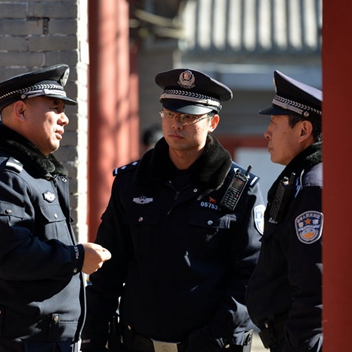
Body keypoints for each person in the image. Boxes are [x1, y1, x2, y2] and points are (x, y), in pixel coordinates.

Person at [81, 68, 265, 352]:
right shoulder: (133, 182)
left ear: (213, 122)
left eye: (188, 117)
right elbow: (108, 268)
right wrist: (93, 336)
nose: (176, 124)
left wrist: (212, 338)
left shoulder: (239, 189)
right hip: (137, 344)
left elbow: (250, 278)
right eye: (169, 113)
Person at [0, 64, 112, 352]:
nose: (64, 120)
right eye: (55, 108)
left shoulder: (36, 173)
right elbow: (8, 256)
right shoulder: (4, 176)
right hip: (21, 341)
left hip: (46, 340)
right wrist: (77, 257)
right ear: (20, 111)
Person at [246, 71, 323, 352]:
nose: (267, 132)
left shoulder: (313, 186)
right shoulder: (300, 178)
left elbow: (315, 279)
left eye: (274, 123)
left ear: (303, 130)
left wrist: (303, 343)